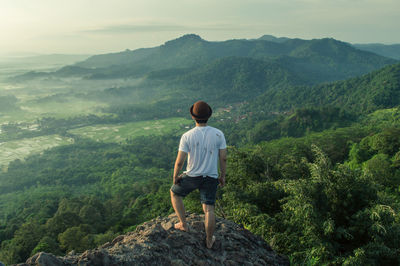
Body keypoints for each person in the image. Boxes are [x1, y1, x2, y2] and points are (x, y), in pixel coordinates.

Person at [170, 100, 227, 249]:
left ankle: (183, 223)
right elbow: (223, 158)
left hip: (192, 176)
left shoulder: (187, 136)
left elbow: (179, 162)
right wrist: (222, 176)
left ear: (193, 117)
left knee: (175, 193)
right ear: (209, 116)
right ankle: (209, 240)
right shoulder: (218, 134)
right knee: (209, 209)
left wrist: (175, 176)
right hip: (211, 177)